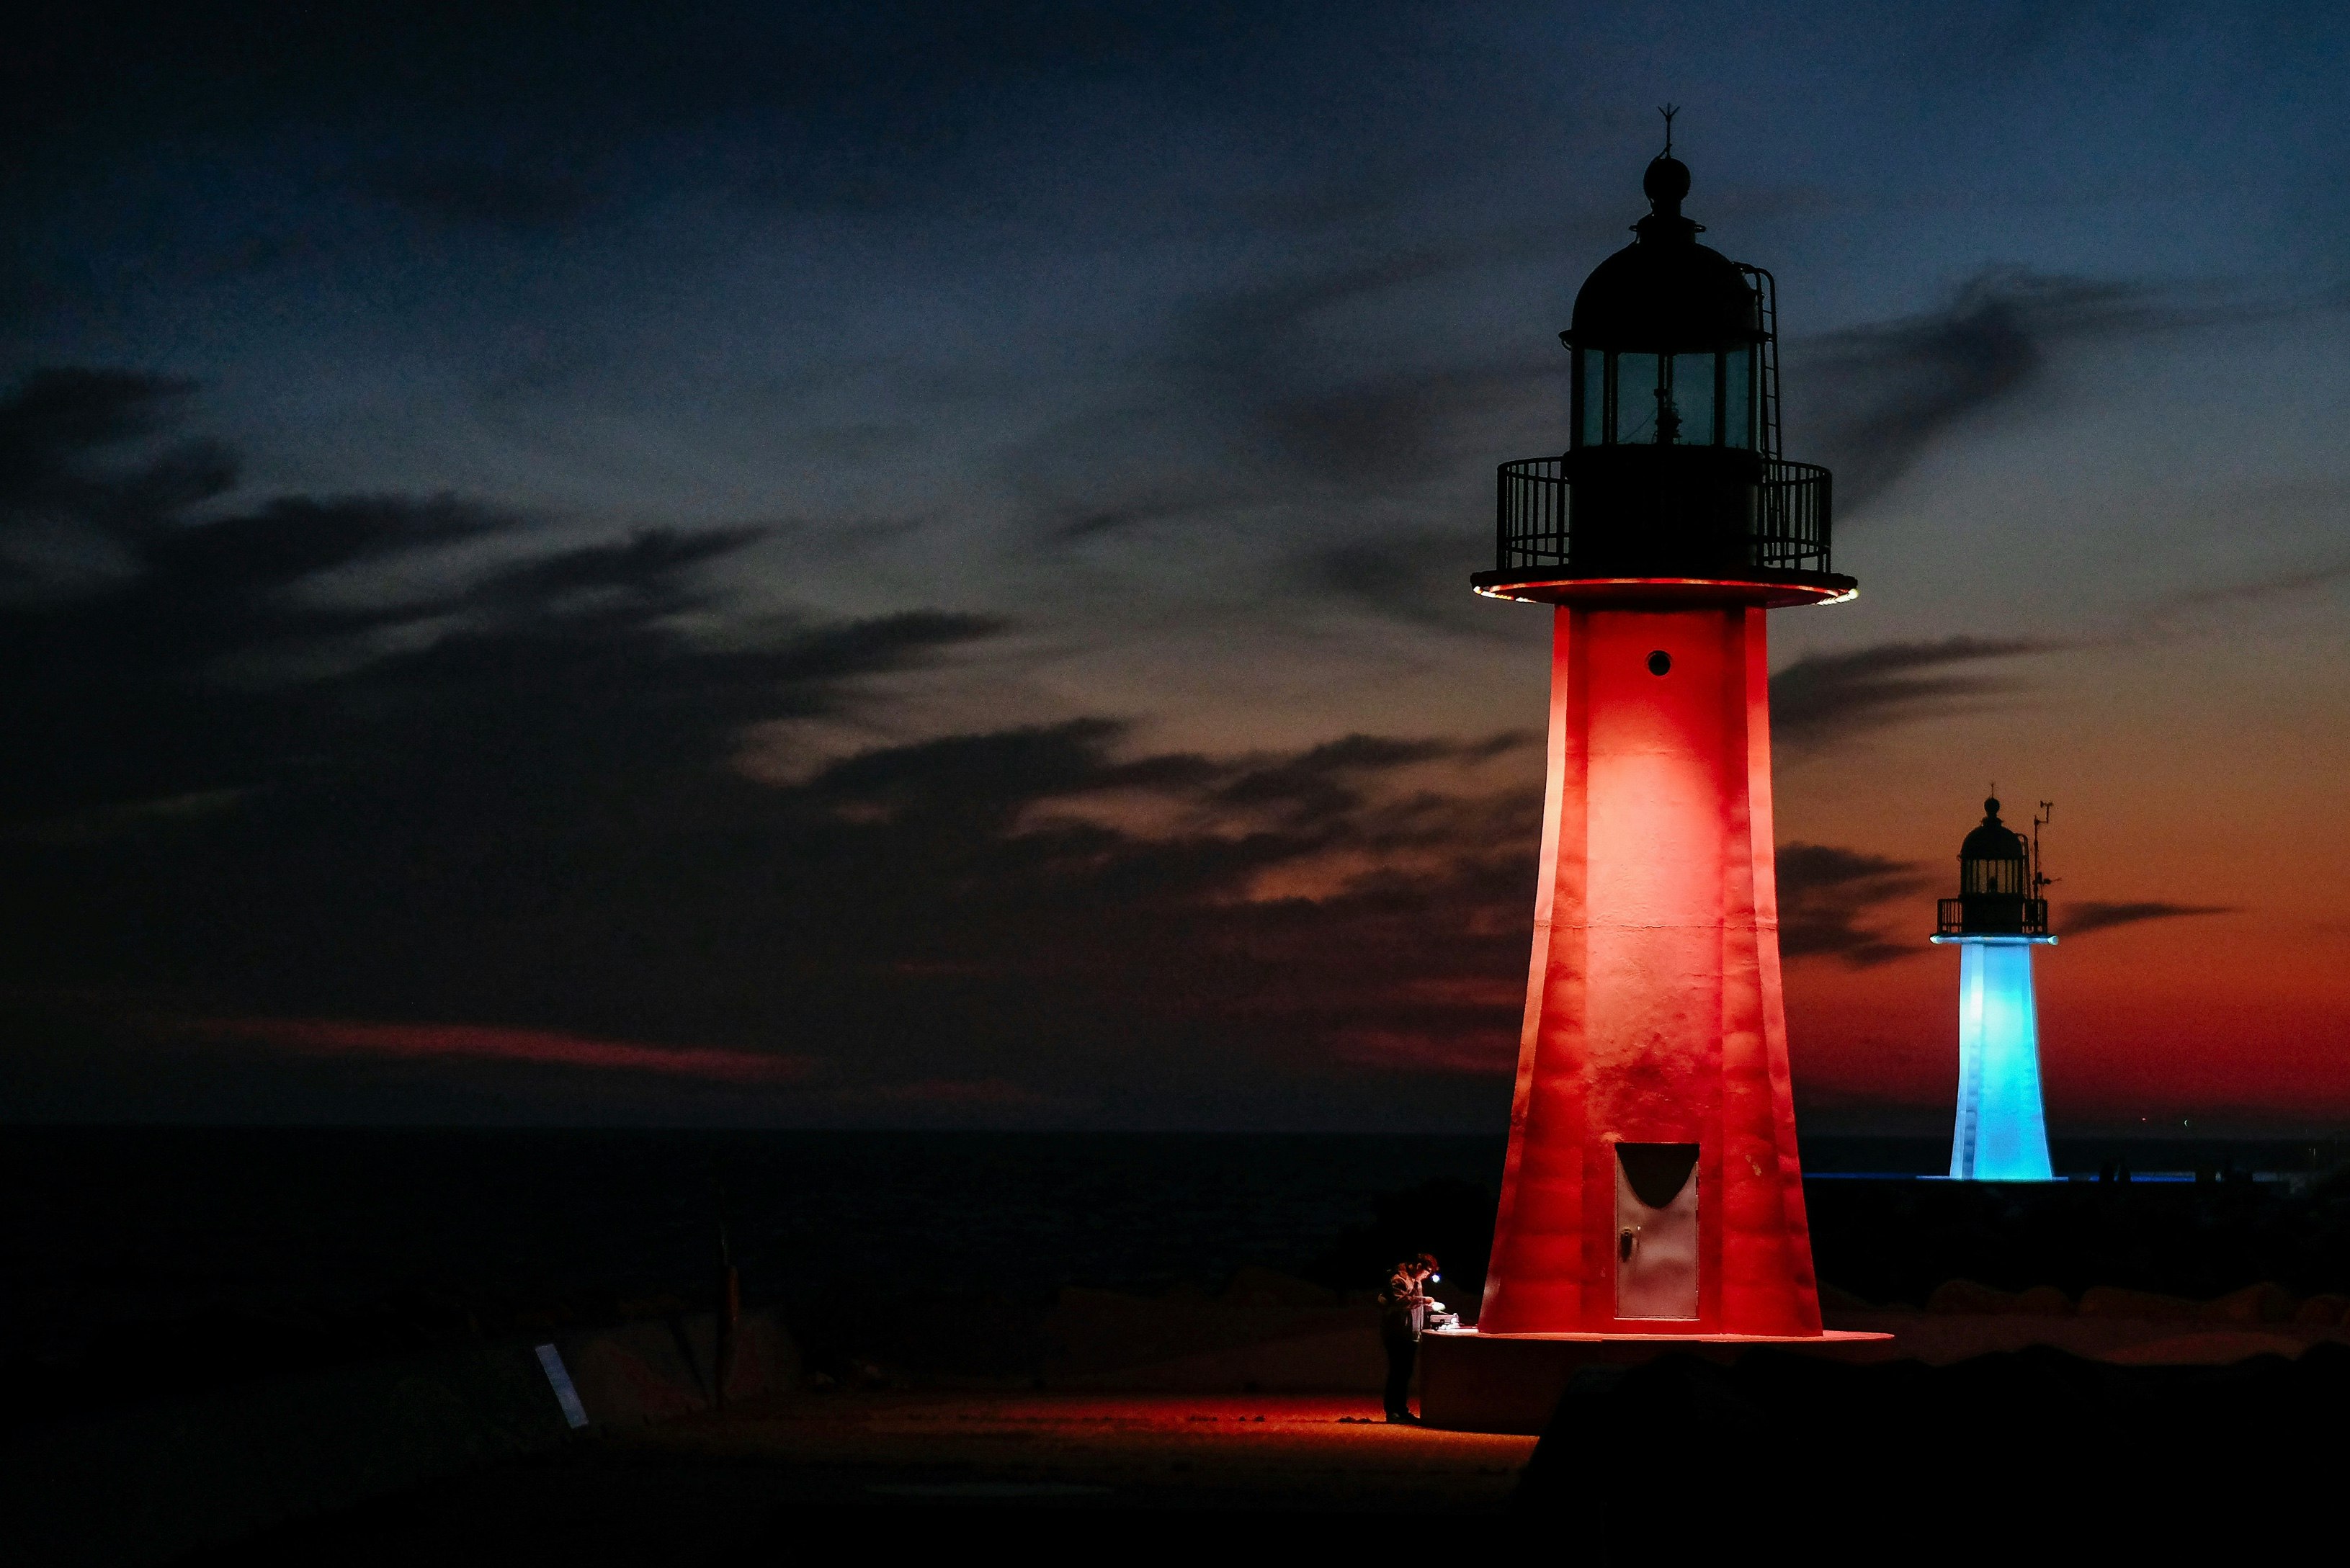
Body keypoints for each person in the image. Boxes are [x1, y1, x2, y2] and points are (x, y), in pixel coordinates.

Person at [1377, 1253, 1439, 1423]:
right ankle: (1393, 1412)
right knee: (1397, 1373)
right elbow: (1400, 1302)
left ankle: (1401, 1410)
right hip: (1397, 1334)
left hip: (1411, 1334)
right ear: (1419, 1266)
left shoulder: (1416, 1282)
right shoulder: (1398, 1280)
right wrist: (1423, 1301)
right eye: (1426, 1273)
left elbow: (1416, 1306)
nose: (1426, 1277)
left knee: (1405, 1373)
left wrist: (1431, 1308)